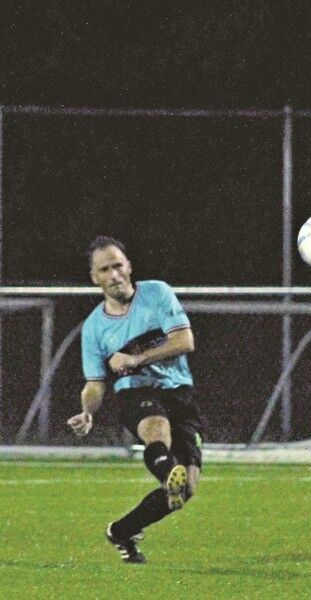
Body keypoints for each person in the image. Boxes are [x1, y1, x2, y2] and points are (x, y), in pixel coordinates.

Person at [67, 236, 203, 564]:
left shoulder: (156, 293)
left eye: (118, 265)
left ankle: (122, 531)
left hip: (178, 391)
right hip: (135, 393)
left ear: (129, 266)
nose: (114, 274)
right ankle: (168, 470)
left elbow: (184, 340)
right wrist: (87, 411)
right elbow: (95, 383)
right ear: (94, 278)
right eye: (105, 269)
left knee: (187, 491)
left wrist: (134, 357)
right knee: (156, 427)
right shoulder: (94, 327)